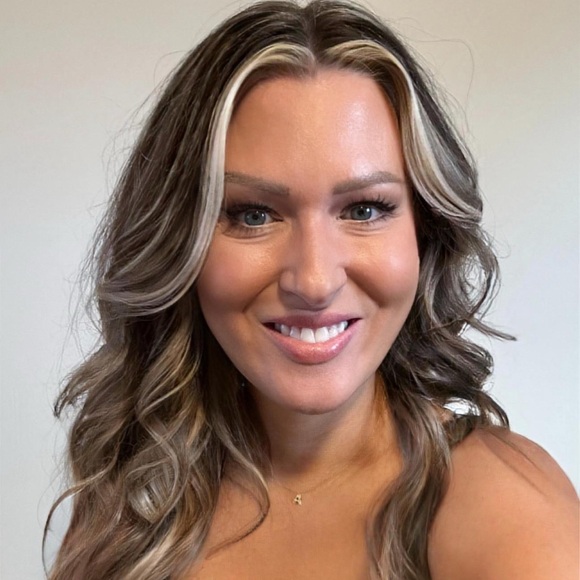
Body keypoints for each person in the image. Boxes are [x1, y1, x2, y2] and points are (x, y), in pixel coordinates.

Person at [44, 1, 578, 578]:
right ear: (179, 240)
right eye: (253, 215)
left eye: (365, 209)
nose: (315, 281)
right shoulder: (133, 497)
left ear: (425, 232)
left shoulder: (504, 504)